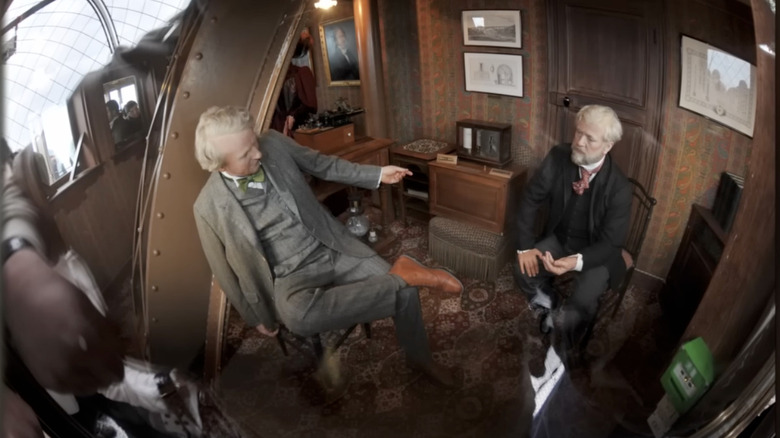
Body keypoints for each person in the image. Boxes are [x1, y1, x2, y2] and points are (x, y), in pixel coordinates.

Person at [193, 106, 462, 387]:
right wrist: (254, 315)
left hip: (331, 245)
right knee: (298, 316)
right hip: (289, 274)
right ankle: (402, 275)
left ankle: (420, 360)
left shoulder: (273, 142)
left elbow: (323, 164)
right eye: (245, 154)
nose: (258, 154)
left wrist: (377, 174)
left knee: (406, 294)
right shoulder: (208, 207)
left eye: (254, 144)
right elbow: (222, 269)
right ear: (221, 165)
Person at [512, 104, 632, 355]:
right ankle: (550, 304)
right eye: (578, 133)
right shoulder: (558, 156)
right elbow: (531, 199)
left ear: (607, 146)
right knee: (522, 270)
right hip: (559, 239)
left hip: (596, 253)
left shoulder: (620, 188)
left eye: (590, 138)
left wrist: (574, 263)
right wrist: (524, 248)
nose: (579, 142)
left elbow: (611, 244)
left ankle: (567, 342)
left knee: (582, 300)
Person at [271, 40, 317, 137]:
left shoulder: (301, 74)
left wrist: (293, 115)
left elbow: (310, 104)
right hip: (274, 128)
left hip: (295, 129)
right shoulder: (270, 79)